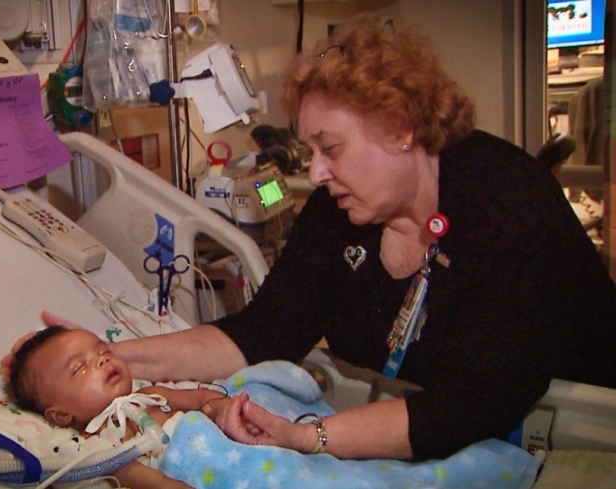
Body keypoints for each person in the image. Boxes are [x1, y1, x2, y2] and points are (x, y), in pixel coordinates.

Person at [48, 13, 616, 463]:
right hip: (442, 426)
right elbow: (260, 332)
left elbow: (467, 408)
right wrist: (107, 356)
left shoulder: (509, 207)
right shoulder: (337, 213)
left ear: (399, 128)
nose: (315, 174)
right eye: (310, 152)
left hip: (585, 421)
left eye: (331, 148)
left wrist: (309, 437)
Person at [5, 325, 246, 489]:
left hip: (237, 453)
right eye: (80, 367)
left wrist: (221, 408)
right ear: (60, 415)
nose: (103, 359)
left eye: (104, 350)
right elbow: (146, 479)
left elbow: (202, 397)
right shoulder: (96, 446)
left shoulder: (152, 395)